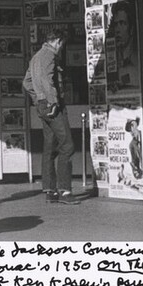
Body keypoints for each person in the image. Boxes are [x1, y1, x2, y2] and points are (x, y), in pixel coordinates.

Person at [23, 28, 93, 204]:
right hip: (53, 106)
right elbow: (47, 80)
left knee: (50, 146)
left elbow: (27, 82)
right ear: (57, 41)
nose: (61, 47)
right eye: (62, 44)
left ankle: (50, 190)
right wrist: (52, 101)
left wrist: (37, 98)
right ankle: (65, 191)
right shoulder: (49, 55)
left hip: (42, 105)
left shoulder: (35, 57)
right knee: (67, 145)